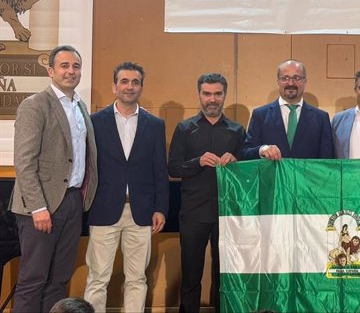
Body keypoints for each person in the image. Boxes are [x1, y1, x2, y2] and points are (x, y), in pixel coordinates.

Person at [9, 45, 98, 312]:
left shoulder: (80, 106)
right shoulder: (35, 105)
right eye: (64, 66)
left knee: (59, 280)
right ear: (51, 71)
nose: (71, 71)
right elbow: (24, 162)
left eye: (76, 66)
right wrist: (38, 207)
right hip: (41, 206)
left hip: (72, 201)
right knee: (33, 279)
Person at [84, 62, 168, 312]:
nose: (129, 86)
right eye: (124, 81)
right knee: (98, 278)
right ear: (114, 86)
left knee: (137, 279)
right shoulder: (95, 122)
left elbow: (159, 171)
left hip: (141, 213)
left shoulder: (155, 124)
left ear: (141, 87)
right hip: (104, 210)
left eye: (135, 82)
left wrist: (160, 208)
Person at [168, 73, 247, 313]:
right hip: (193, 214)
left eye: (217, 94)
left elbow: (247, 174)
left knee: (223, 276)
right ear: (199, 95)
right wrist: (197, 162)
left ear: (224, 95)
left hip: (227, 214)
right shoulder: (184, 129)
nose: (212, 99)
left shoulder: (237, 130)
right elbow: (172, 167)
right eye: (207, 94)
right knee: (191, 276)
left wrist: (236, 161)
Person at [244, 60, 334, 160]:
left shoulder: (321, 119)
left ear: (305, 82)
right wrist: (261, 150)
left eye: (297, 78)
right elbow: (246, 153)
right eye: (285, 78)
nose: (291, 83)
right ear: (278, 81)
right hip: (272, 175)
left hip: (306, 176)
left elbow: (327, 161)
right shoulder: (260, 115)